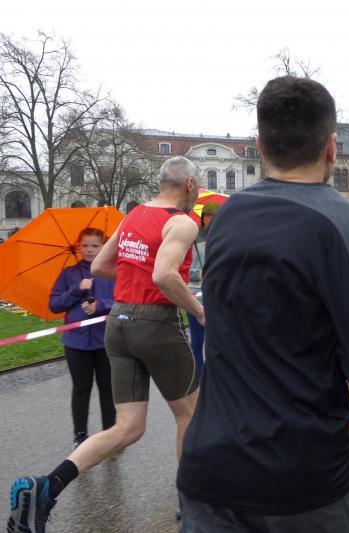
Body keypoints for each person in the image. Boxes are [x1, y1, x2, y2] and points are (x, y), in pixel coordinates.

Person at [176, 76, 349, 532]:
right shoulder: (342, 219)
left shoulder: (227, 216)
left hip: (209, 469)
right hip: (301, 479)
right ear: (331, 148)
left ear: (260, 145)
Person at [8, 156, 204, 533]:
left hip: (119, 323)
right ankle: (191, 504)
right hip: (156, 323)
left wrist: (138, 275)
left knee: (128, 428)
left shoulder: (133, 216)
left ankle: (46, 487)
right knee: (190, 415)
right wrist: (198, 311)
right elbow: (164, 275)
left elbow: (99, 267)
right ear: (190, 185)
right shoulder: (181, 222)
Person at [48, 227, 116, 447]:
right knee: (81, 388)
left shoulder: (111, 272)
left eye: (95, 246)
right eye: (85, 245)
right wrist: (77, 290)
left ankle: (110, 432)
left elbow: (123, 301)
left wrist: (100, 305)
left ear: (104, 246)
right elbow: (55, 304)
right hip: (76, 343)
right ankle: (80, 435)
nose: (89, 250)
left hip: (106, 340)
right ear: (78, 247)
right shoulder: (69, 274)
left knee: (107, 387)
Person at [187, 201, 219, 379]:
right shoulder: (192, 237)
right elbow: (182, 269)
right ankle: (200, 377)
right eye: (208, 215)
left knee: (215, 343)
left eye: (214, 216)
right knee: (197, 342)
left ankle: (213, 377)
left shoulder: (222, 237)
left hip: (215, 296)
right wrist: (199, 274)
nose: (211, 219)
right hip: (194, 297)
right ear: (203, 217)